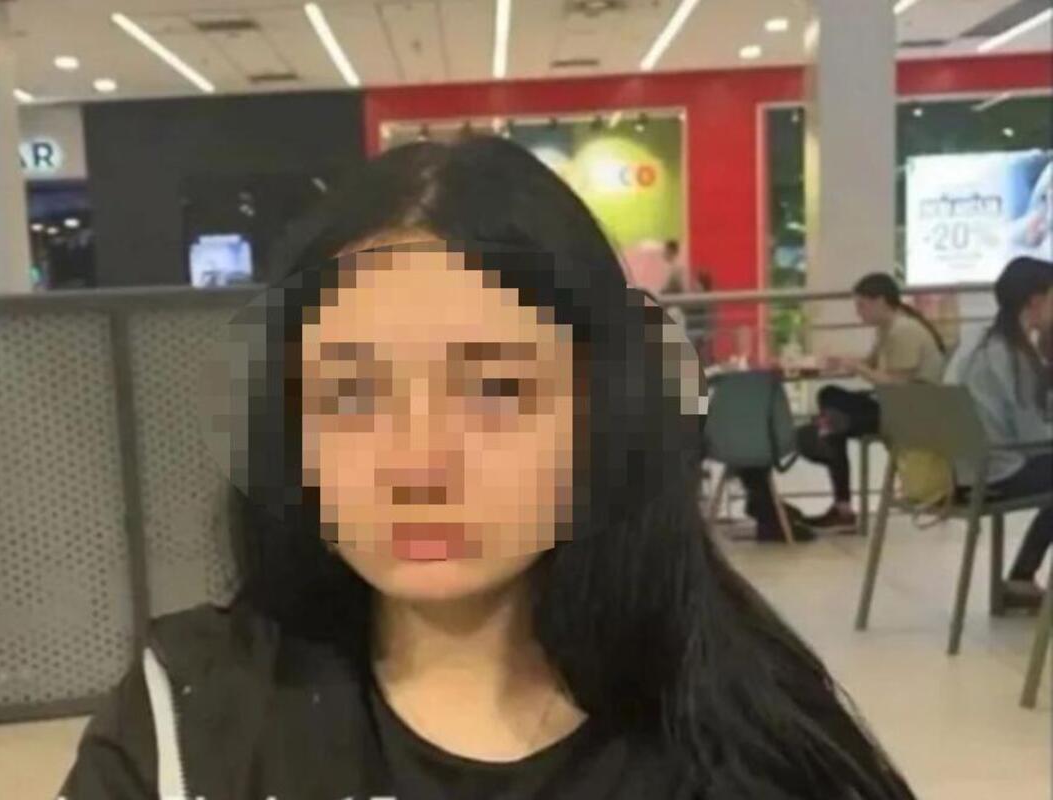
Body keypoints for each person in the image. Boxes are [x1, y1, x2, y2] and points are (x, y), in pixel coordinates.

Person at [60, 139, 914, 800]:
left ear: (601, 411)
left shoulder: (756, 742)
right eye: (350, 394)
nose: (418, 464)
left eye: (496, 389)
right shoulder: (189, 719)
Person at [803, 274, 947, 530]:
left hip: (909, 412)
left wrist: (856, 367)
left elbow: (896, 385)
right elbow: (871, 365)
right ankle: (827, 426)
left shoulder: (904, 331)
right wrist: (842, 361)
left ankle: (824, 434)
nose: (858, 313)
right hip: (893, 404)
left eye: (862, 305)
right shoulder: (887, 329)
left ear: (880, 301)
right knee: (829, 395)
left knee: (834, 423)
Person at [950, 257, 1053, 610]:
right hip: (994, 472)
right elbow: (1034, 437)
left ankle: (1022, 578)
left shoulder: (978, 341)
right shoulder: (1013, 355)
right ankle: (1022, 577)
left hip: (964, 470)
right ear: (1036, 301)